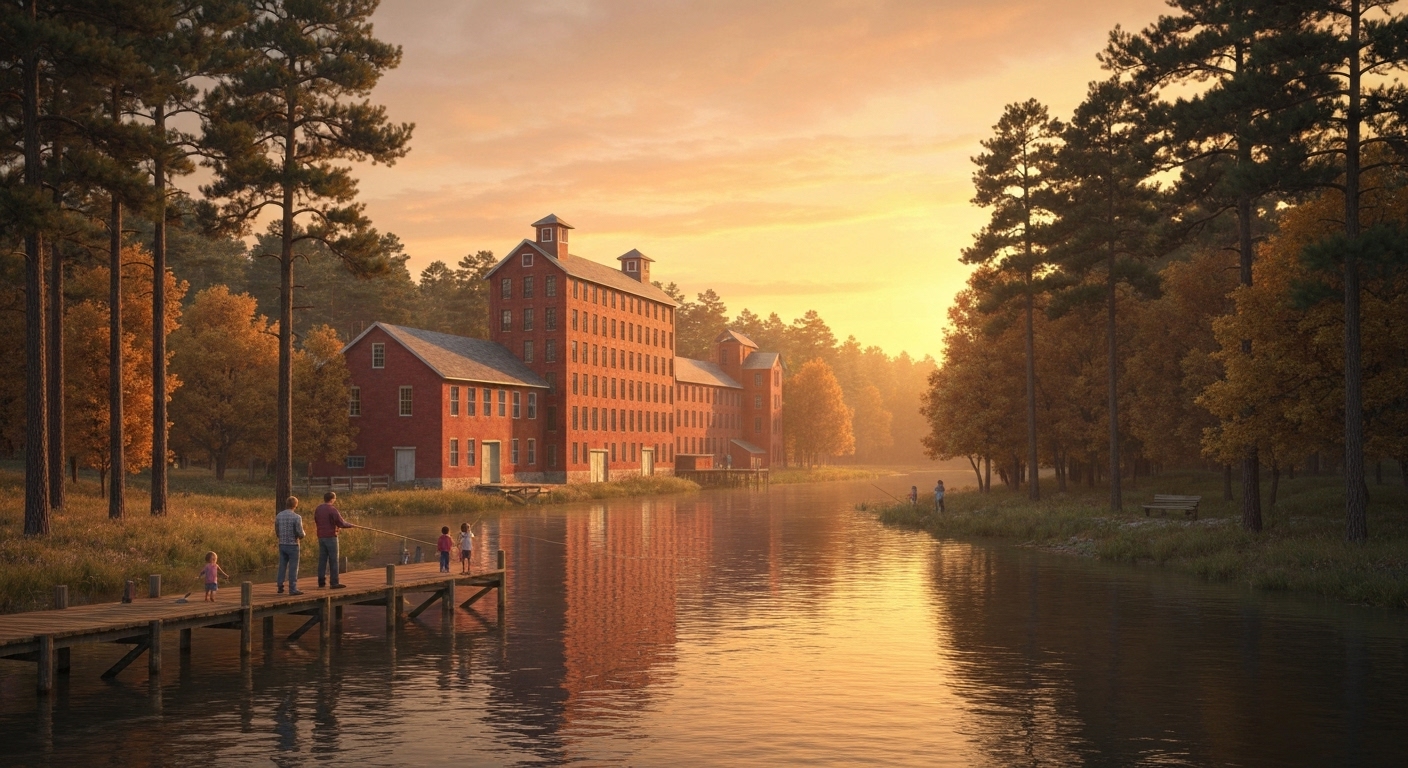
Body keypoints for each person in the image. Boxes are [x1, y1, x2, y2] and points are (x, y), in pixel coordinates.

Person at [313, 491, 355, 589]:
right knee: (334, 560)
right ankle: (334, 583)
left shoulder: (318, 509)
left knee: (322, 560)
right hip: (331, 537)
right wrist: (350, 525)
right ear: (332, 499)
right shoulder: (332, 509)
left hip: (321, 536)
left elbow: (316, 520)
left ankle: (321, 582)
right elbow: (341, 523)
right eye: (335, 498)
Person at [275, 496, 306, 595]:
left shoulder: (279, 515)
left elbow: (277, 528)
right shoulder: (297, 517)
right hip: (293, 544)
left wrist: (280, 536)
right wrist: (302, 536)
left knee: (282, 565)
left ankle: (280, 585)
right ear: (295, 505)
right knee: (293, 567)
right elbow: (300, 532)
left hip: (282, 543)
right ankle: (293, 588)